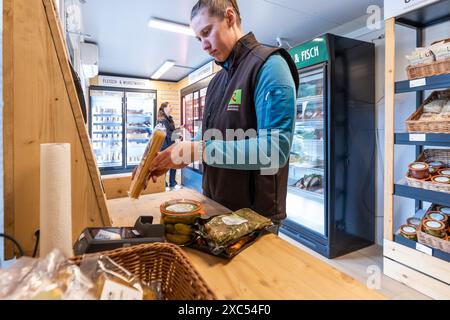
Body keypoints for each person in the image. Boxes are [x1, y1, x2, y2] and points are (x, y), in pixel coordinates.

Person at [147, 0, 299, 234]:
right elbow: (204, 140)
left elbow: (274, 150)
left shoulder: (270, 66)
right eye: (199, 39)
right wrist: (173, 157)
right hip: (214, 205)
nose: (204, 46)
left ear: (230, 18)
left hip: (255, 217)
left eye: (207, 32)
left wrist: (197, 149)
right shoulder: (216, 82)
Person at [156, 102, 183, 190]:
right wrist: (178, 135)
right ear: (164, 108)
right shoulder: (162, 120)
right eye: (170, 106)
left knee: (173, 164)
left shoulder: (170, 119)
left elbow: (172, 131)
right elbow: (167, 133)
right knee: (164, 165)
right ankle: (164, 184)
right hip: (164, 145)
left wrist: (179, 129)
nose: (172, 107)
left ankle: (173, 182)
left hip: (171, 144)